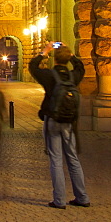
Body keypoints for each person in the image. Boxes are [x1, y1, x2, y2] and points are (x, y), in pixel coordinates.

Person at [29, 43, 90, 210]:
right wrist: (71, 54)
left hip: (53, 120)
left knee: (56, 159)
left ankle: (59, 200)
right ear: (67, 58)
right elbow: (80, 67)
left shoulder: (49, 76)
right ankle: (82, 197)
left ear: (54, 59)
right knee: (73, 158)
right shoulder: (73, 76)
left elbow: (33, 66)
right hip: (69, 122)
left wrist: (44, 52)